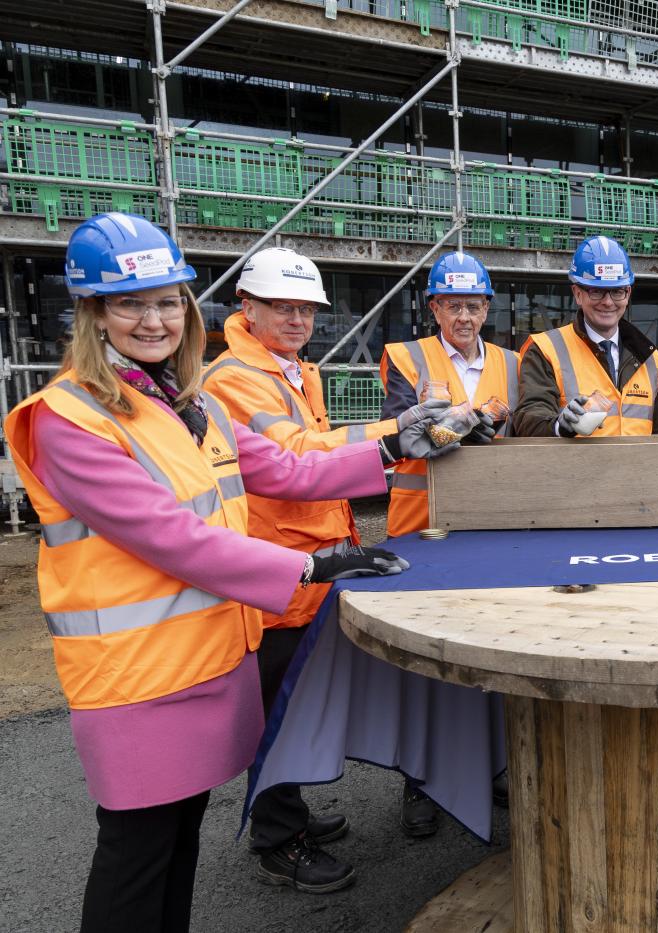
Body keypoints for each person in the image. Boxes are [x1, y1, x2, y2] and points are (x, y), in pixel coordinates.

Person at [4, 213, 461, 931]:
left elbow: (285, 467)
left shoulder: (184, 401)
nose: (152, 320)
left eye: (165, 302)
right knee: (135, 854)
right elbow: (171, 538)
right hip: (134, 678)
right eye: (129, 303)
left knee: (175, 844)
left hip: (202, 660)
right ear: (92, 314)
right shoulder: (69, 418)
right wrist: (311, 563)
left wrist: (390, 445)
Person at [203, 246, 434, 892]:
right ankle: (280, 840)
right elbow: (296, 457)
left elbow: (318, 456)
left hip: (308, 567)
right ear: (245, 307)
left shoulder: (295, 371)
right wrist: (394, 431)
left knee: (294, 703)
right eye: (283, 306)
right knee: (277, 712)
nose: (298, 318)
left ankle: (289, 816)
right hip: (278, 574)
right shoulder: (234, 379)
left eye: (306, 308)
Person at [380, 250, 515, 537]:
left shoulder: (513, 362)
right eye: (454, 306)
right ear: (434, 308)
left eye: (473, 307)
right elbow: (397, 429)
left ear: (486, 309)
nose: (464, 317)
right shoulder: (406, 357)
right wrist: (461, 430)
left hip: (494, 513)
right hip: (421, 518)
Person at [510, 235, 658, 437]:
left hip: (637, 469)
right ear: (577, 293)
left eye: (617, 291)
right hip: (577, 469)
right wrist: (560, 426)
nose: (608, 302)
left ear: (627, 293)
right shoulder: (545, 350)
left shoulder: (651, 359)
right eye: (597, 291)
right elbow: (529, 420)